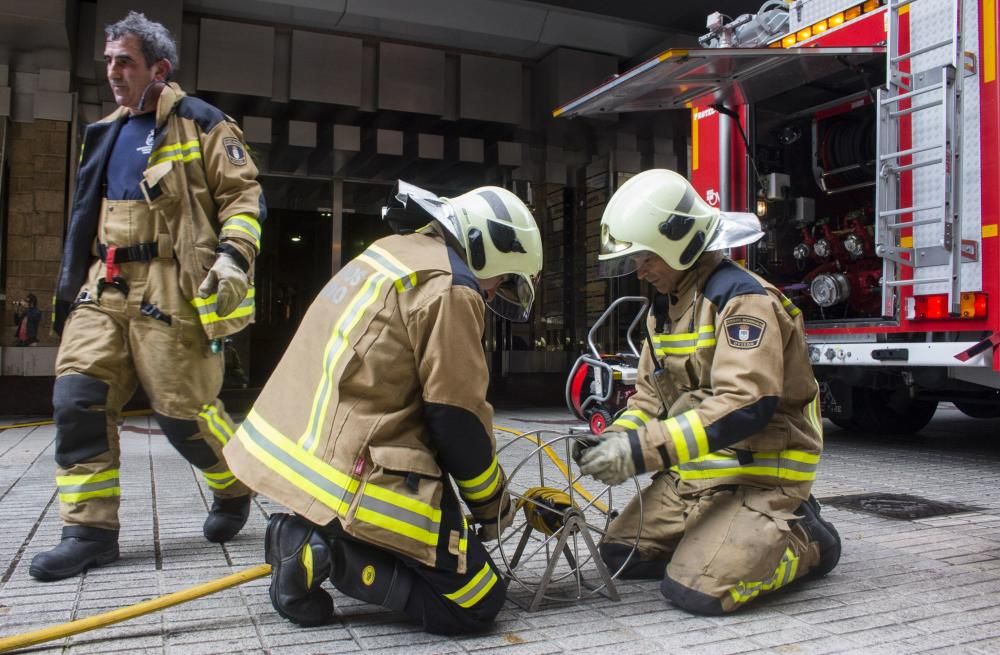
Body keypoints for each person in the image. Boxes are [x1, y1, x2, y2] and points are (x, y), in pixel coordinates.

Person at [223, 181, 542, 634]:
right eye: (503, 281)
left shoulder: (393, 251)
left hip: (310, 453)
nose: (493, 295)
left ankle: (315, 536)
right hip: (358, 469)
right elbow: (457, 420)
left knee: (436, 550)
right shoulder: (452, 287)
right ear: (487, 248)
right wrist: (493, 508)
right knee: (476, 601)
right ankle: (321, 553)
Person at [31, 11, 265, 581]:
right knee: (76, 399)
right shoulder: (105, 130)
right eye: (109, 60)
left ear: (158, 68)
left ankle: (234, 487)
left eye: (125, 61)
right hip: (106, 281)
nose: (113, 71)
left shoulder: (204, 124)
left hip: (172, 283)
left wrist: (235, 257)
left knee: (184, 416)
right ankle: (88, 531)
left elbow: (244, 198)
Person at [574, 169, 840, 615]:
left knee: (698, 590)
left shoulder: (741, 300)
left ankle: (808, 538)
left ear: (678, 241)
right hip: (694, 475)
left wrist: (639, 453)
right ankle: (716, 527)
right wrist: (616, 438)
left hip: (760, 474)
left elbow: (745, 406)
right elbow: (650, 399)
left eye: (646, 257)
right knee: (619, 558)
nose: (640, 271)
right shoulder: (667, 307)